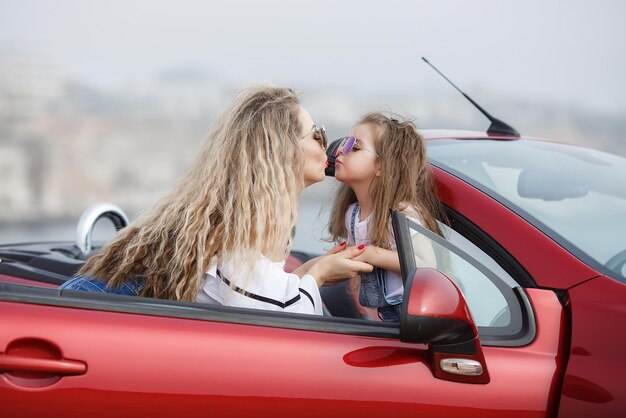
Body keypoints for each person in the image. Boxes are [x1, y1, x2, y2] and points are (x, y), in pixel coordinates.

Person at [61, 86, 373, 315]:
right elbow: (286, 316)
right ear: (282, 151)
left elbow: (257, 293)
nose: (328, 145)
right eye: (316, 133)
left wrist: (310, 269)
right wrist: (318, 276)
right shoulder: (233, 233)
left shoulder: (238, 218)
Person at [328, 112, 446, 322]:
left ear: (382, 166)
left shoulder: (401, 213)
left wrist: (370, 253)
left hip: (413, 316)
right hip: (383, 315)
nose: (340, 152)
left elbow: (427, 266)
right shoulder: (352, 214)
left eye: (354, 148)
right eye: (345, 144)